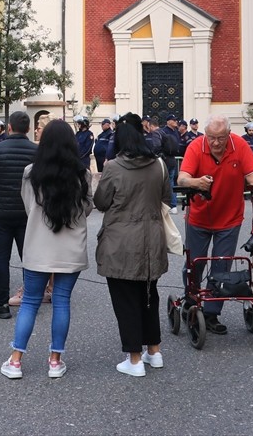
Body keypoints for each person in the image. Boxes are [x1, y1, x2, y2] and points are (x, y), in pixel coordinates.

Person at [0, 120, 91, 380]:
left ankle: (16, 361)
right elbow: (87, 208)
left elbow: (29, 206)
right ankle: (55, 360)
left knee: (30, 301)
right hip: (71, 248)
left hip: (38, 245)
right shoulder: (81, 174)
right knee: (61, 301)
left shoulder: (31, 172)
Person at [178, 114, 253, 335]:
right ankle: (190, 300)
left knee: (222, 267)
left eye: (220, 138)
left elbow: (252, 177)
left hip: (229, 218)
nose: (216, 142)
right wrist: (196, 182)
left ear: (228, 134)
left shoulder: (239, 145)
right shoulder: (195, 146)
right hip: (199, 217)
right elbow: (181, 179)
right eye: (211, 137)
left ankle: (210, 314)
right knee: (194, 264)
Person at [94, 113, 171, 377]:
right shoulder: (158, 164)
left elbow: (101, 202)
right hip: (152, 238)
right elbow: (167, 197)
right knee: (150, 296)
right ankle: (154, 350)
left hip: (120, 241)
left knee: (126, 300)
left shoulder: (114, 167)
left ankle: (134, 358)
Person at [0, 110, 37, 319]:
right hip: (26, 212)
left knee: (1, 258)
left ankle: (1, 303)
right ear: (28, 129)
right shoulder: (35, 151)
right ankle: (29, 301)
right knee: (28, 258)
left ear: (9, 128)